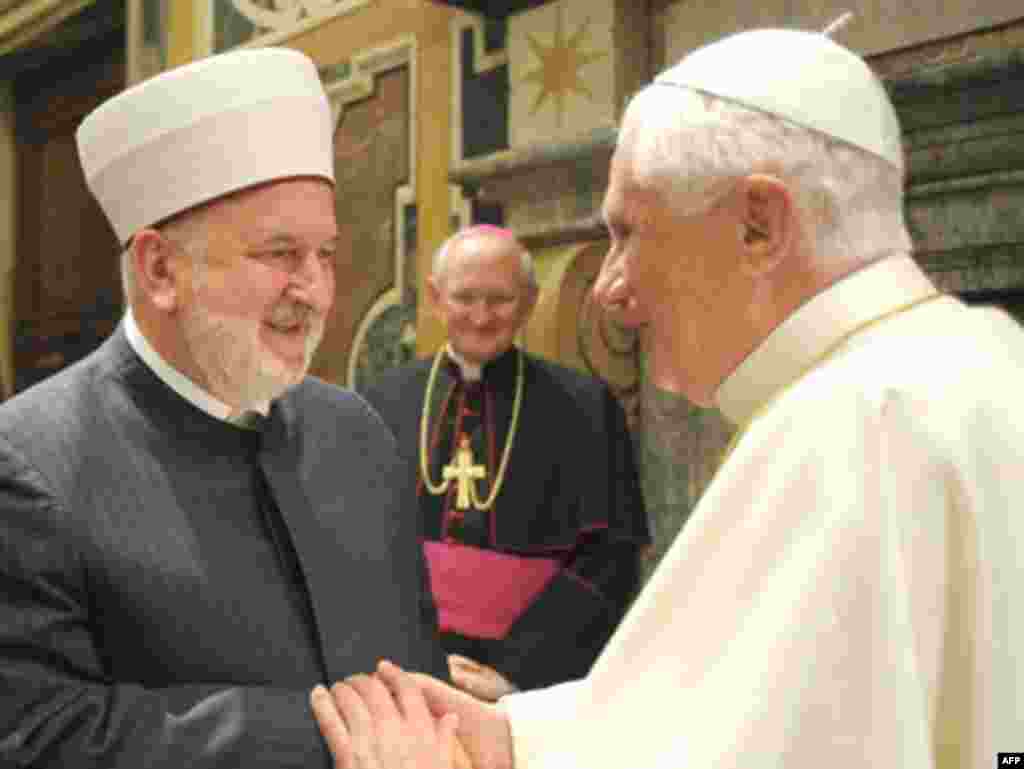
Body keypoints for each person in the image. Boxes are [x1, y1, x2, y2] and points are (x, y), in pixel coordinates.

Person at [311, 27, 1024, 769]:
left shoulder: (858, 427)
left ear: (759, 225)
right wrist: (513, 737)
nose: (612, 288)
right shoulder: (981, 357)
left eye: (628, 232)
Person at [0, 47, 448, 768]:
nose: (315, 291)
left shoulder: (358, 434)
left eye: (326, 253)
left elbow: (417, 667)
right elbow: (37, 730)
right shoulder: (26, 463)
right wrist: (330, 738)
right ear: (160, 268)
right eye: (280, 253)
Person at [360, 225, 649, 700]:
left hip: (533, 684)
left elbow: (609, 558)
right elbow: (354, 545)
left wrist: (516, 673)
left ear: (531, 301)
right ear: (435, 298)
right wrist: (405, 659)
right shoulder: (382, 404)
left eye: (499, 299)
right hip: (398, 671)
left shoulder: (586, 409)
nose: (480, 316)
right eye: (464, 297)